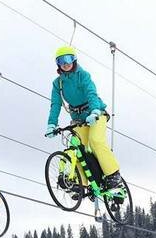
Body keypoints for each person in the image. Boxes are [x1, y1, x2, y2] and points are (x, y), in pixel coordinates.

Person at [46, 46, 122, 189]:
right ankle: (82, 184)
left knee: (95, 141)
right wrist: (51, 124)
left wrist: (94, 111)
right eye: (61, 61)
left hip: (96, 114)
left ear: (74, 60)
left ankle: (113, 174)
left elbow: (91, 93)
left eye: (68, 59)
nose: (65, 63)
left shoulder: (83, 75)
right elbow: (55, 104)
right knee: (76, 149)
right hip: (79, 119)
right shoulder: (58, 84)